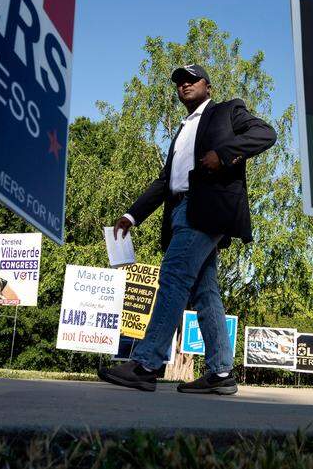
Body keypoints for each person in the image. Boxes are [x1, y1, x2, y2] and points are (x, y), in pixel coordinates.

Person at [99, 63, 275, 394]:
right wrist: (132, 215)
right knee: (205, 292)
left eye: (192, 79)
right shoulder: (181, 131)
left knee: (174, 277)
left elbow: (266, 134)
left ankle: (146, 363)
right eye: (180, 81)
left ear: (208, 86)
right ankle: (221, 373)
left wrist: (223, 155)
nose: (184, 84)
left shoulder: (227, 111)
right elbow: (165, 180)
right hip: (180, 208)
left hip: (207, 209)